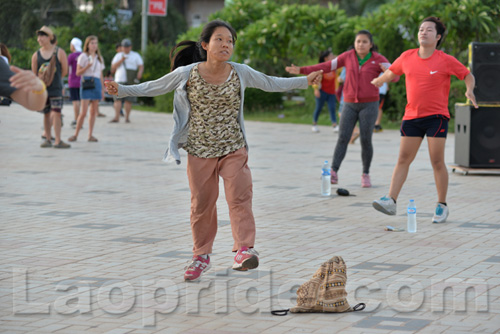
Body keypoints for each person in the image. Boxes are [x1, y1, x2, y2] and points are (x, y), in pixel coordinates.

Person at [104, 20, 322, 282]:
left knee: (239, 197)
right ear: (205, 45)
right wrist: (123, 90)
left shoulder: (240, 71)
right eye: (220, 39)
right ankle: (201, 256)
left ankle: (244, 250)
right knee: (202, 206)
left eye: (230, 41)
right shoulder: (187, 73)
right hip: (199, 150)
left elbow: (270, 82)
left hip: (233, 148)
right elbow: (155, 86)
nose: (226, 44)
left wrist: (304, 81)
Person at [371, 17, 478, 224]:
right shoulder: (407, 56)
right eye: (421, 29)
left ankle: (441, 205)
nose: (423, 32)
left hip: (436, 117)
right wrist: (377, 81)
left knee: (436, 161)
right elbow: (391, 72)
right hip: (412, 117)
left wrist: (469, 89)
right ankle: (391, 201)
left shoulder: (445, 59)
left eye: (429, 30)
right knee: (403, 159)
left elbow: (467, 75)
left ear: (437, 37)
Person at [286, 30, 399, 187]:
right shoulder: (347, 56)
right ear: (354, 43)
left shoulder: (378, 59)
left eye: (364, 41)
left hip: (370, 105)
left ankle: (365, 174)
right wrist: (302, 70)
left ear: (371, 44)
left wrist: (387, 73)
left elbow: (396, 75)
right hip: (349, 104)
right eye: (358, 41)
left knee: (366, 139)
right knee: (343, 137)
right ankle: (334, 171)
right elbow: (326, 66)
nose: (361, 44)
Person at [31, 26, 70, 148]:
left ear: (50, 37)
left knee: (57, 113)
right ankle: (48, 139)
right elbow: (34, 74)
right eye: (39, 36)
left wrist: (54, 78)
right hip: (43, 89)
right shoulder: (36, 55)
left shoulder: (59, 52)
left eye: (42, 36)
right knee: (46, 113)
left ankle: (57, 140)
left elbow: (65, 70)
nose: (39, 39)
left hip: (56, 88)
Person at [68, 36, 105, 143]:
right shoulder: (83, 56)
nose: (94, 45)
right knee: (83, 112)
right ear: (87, 45)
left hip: (96, 82)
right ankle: (75, 134)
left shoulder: (99, 58)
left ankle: (90, 135)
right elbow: (78, 72)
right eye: (92, 43)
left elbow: (101, 74)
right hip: (86, 82)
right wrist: (87, 66)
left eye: (96, 43)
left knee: (93, 111)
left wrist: (103, 88)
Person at [109, 38, 143, 123]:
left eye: (127, 47)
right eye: (124, 47)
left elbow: (141, 66)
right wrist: (121, 60)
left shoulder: (135, 55)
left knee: (129, 100)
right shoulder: (118, 55)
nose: (126, 48)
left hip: (131, 80)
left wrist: (140, 73)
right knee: (117, 99)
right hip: (119, 79)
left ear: (130, 47)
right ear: (122, 47)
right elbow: (113, 67)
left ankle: (127, 118)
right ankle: (116, 117)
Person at [311, 50, 337, 133]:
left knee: (332, 108)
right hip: (322, 91)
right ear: (326, 58)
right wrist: (316, 89)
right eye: (331, 56)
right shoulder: (321, 68)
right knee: (318, 108)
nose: (333, 57)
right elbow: (315, 79)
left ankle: (334, 125)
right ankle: (314, 124)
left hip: (332, 92)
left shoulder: (334, 67)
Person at [67, 38, 82, 128]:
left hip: (73, 80)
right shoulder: (84, 55)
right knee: (80, 101)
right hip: (82, 81)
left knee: (75, 101)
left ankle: (76, 119)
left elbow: (66, 67)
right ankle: (80, 120)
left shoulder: (71, 56)